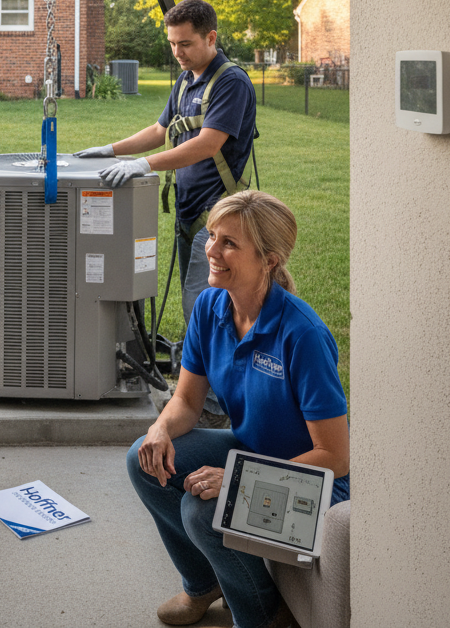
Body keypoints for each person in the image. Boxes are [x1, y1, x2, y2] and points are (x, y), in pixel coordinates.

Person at [126, 191, 350, 628]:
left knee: (204, 511)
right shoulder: (212, 307)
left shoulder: (302, 336)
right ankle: (203, 584)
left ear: (268, 260)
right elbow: (188, 402)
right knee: (144, 458)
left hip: (312, 486)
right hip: (252, 452)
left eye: (229, 243)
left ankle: (263, 616)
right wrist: (159, 429)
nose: (211, 249)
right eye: (212, 236)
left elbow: (336, 458)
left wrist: (237, 479)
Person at [75, 0, 257, 424]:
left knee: (207, 310)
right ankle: (207, 399)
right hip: (189, 212)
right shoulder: (186, 81)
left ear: (211, 38)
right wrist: (112, 150)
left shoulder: (230, 83)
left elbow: (209, 143)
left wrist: (144, 165)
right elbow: (162, 131)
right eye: (173, 44)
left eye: (186, 43)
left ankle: (212, 411)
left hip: (217, 219)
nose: (178, 52)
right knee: (201, 308)